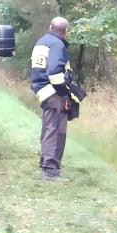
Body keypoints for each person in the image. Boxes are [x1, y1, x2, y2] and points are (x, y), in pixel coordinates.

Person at [30, 17, 75, 181]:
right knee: (56, 131)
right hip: (54, 93)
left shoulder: (42, 42)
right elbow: (54, 73)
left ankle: (46, 164)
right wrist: (65, 92)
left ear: (50, 26)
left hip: (42, 91)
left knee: (48, 129)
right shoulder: (57, 44)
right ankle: (50, 170)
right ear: (65, 31)